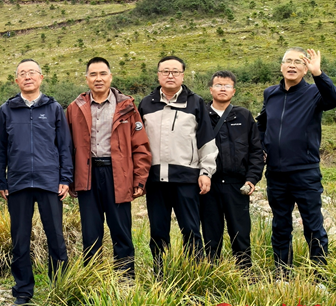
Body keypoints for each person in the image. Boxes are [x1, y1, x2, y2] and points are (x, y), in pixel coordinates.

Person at [0, 58, 73, 306]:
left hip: (49, 181)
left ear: (41, 77)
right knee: (20, 240)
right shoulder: (7, 109)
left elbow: (64, 145)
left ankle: (60, 288)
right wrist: (1, 179)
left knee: (56, 237)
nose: (27, 77)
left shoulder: (54, 108)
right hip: (17, 182)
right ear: (16, 80)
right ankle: (23, 291)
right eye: (22, 73)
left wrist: (65, 178)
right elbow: (0, 147)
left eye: (32, 72)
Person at [257, 48, 336, 278]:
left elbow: (335, 100)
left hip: (305, 171)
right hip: (276, 172)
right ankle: (282, 273)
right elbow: (262, 124)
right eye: (288, 61)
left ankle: (319, 276)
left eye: (298, 62)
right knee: (280, 225)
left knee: (313, 225)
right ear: (281, 66)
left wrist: (318, 74)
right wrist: (262, 147)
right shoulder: (270, 94)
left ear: (305, 69)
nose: (292, 65)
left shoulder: (314, 92)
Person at [65, 57, 150, 279]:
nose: (98, 78)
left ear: (110, 77)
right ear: (86, 79)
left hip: (118, 174)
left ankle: (125, 278)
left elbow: (140, 145)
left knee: (121, 228)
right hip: (87, 175)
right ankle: (92, 277)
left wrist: (139, 178)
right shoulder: (75, 108)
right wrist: (68, 178)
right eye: (93, 74)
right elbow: (66, 146)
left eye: (103, 74)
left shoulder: (127, 106)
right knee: (91, 231)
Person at [138, 56, 217, 276]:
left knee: (190, 230)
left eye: (175, 71)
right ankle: (160, 275)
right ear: (158, 75)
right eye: (165, 71)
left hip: (186, 179)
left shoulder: (196, 103)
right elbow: (138, 144)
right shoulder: (146, 104)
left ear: (182, 75)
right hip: (155, 181)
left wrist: (206, 172)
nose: (170, 75)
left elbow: (206, 141)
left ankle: (194, 274)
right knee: (158, 231)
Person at [201, 71, 264, 269]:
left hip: (237, 185)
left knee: (240, 232)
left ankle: (245, 273)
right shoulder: (201, 115)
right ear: (211, 89)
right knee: (211, 233)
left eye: (227, 85)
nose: (223, 89)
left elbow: (256, 151)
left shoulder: (244, 115)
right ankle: (212, 272)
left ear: (233, 91)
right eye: (218, 85)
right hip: (208, 185)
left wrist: (252, 178)